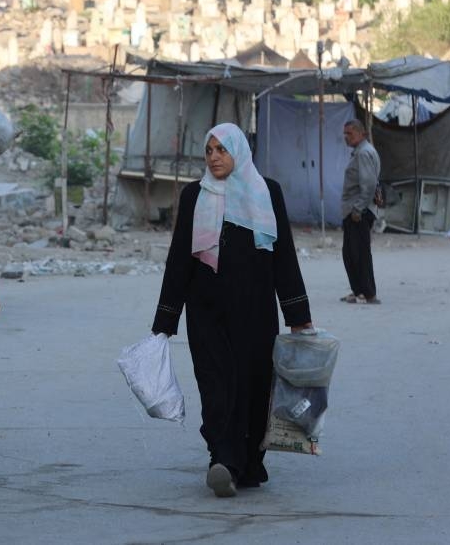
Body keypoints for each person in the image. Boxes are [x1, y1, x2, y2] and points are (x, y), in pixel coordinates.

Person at [151, 123, 313, 498]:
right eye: (209, 150)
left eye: (222, 149)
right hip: (206, 312)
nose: (214, 157)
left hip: (255, 314)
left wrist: (297, 314)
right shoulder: (194, 195)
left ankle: (249, 463)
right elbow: (180, 260)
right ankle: (221, 459)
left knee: (254, 387)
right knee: (215, 385)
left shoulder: (267, 191)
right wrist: (166, 319)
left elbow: (283, 256)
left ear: (238, 151)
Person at [340, 119, 381, 305]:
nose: (346, 138)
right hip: (355, 209)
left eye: (349, 134)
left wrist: (358, 209)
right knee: (350, 253)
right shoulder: (361, 152)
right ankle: (359, 291)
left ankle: (368, 293)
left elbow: (369, 184)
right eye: (345, 134)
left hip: (358, 211)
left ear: (359, 133)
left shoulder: (364, 153)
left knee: (359, 253)